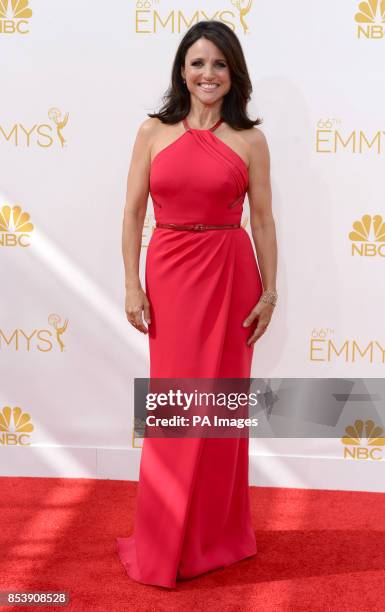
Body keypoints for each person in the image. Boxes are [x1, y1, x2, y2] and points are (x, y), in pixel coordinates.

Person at [117, 20, 277, 588]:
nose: (207, 74)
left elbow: (261, 219)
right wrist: (132, 284)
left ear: (233, 74)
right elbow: (135, 212)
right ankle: (166, 538)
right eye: (197, 63)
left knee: (222, 413)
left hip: (232, 277)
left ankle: (216, 536)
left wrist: (271, 288)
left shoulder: (250, 140)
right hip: (170, 274)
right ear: (181, 71)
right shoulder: (153, 131)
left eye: (218, 65)